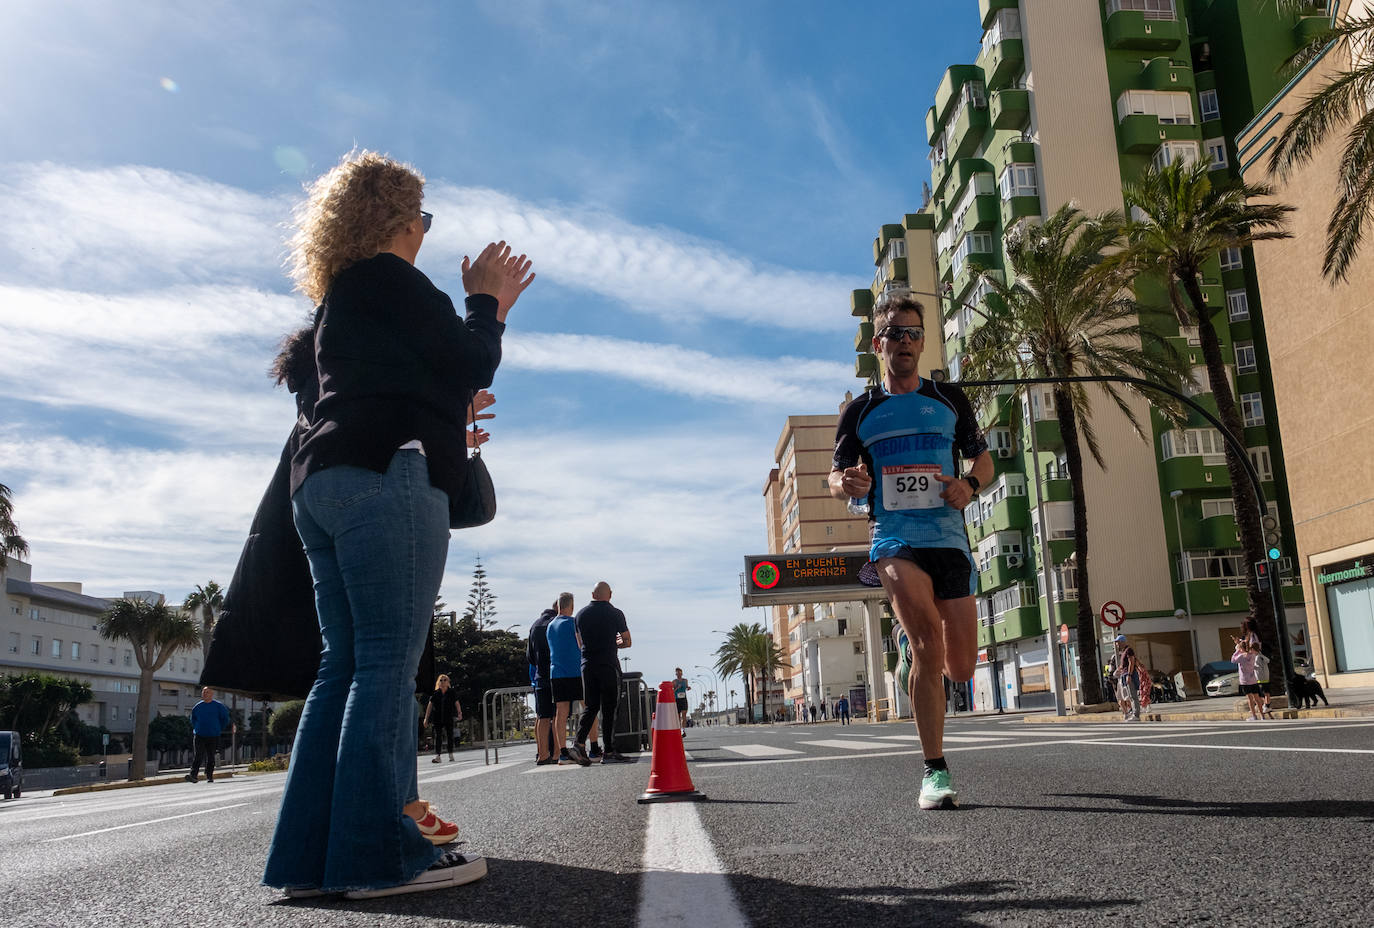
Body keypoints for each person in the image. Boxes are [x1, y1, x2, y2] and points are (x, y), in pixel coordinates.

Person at [261, 150, 534, 900]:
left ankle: (313, 862)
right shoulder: (393, 280)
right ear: (402, 220)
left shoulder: (337, 304)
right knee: (386, 663)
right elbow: (471, 358)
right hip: (388, 479)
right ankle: (380, 857)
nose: (424, 232)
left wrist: (442, 410)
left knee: (343, 665)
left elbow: (362, 388)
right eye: (423, 219)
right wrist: (487, 300)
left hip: (320, 488)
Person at [829, 291, 992, 810]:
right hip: (895, 540)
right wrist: (847, 484)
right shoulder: (861, 411)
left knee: (961, 668)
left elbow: (984, 462)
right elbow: (836, 475)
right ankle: (935, 771)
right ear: (878, 344)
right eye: (895, 333)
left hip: (949, 541)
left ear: (922, 342)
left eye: (914, 333)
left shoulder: (949, 400)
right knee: (927, 644)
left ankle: (912, 654)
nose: (905, 341)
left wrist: (969, 484)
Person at [567, 581, 632, 765]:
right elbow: (627, 641)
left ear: (593, 594)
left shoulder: (580, 615)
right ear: (610, 594)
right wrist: (616, 643)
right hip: (609, 664)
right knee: (610, 707)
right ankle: (609, 750)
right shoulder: (615, 613)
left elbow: (580, 645)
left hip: (587, 665)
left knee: (592, 706)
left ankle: (578, 744)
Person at [545, 592, 585, 764]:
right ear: (572, 606)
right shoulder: (574, 622)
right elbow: (581, 644)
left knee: (560, 714)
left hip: (557, 673)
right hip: (576, 671)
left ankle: (562, 752)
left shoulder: (550, 626)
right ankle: (590, 748)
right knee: (588, 709)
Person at [528, 602, 559, 765]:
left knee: (542, 717)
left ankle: (542, 754)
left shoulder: (534, 625)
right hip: (556, 674)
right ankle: (557, 753)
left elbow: (530, 656)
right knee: (557, 715)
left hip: (540, 676)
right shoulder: (556, 624)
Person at [186, 687, 233, 784]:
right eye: (203, 692)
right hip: (199, 735)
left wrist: (218, 728)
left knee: (211, 756)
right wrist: (197, 728)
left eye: (207, 692)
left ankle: (209, 776)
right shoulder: (197, 706)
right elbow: (193, 719)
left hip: (213, 735)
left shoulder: (218, 706)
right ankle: (193, 775)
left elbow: (225, 719)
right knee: (198, 755)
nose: (205, 694)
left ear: (212, 694)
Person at [423, 675, 461, 763]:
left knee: (450, 735)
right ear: (438, 682)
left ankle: (450, 754)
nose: (443, 681)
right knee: (438, 736)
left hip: (448, 717)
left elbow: (457, 703)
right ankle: (438, 756)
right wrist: (426, 718)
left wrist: (459, 713)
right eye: (441, 680)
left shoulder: (452, 692)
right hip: (437, 718)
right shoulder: (435, 693)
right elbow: (430, 706)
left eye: (445, 680)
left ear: (448, 682)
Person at [1232, 636, 1265, 721]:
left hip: (1245, 681)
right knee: (1257, 698)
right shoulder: (1252, 655)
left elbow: (1233, 660)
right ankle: (1262, 716)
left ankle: (1254, 716)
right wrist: (1239, 642)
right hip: (1253, 679)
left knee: (1250, 699)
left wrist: (1237, 650)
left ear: (1241, 648)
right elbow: (1246, 644)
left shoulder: (1241, 656)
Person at [1110, 635, 1141, 721]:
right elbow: (1123, 665)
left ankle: (1136, 714)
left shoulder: (1129, 650)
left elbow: (1131, 662)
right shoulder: (1123, 652)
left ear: (1122, 642)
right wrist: (1118, 670)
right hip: (1124, 675)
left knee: (1133, 695)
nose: (1117, 644)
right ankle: (1134, 713)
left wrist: (1129, 675)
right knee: (1130, 696)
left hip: (1128, 675)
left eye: (1118, 642)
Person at [672, 668, 691, 733]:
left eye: (680, 673)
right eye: (677, 673)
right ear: (676, 674)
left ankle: (683, 730)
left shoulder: (685, 680)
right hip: (677, 700)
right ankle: (679, 730)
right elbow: (672, 691)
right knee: (678, 716)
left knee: (684, 715)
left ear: (682, 673)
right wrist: (677, 688)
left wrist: (688, 688)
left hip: (683, 699)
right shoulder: (674, 681)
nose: (679, 674)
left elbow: (687, 687)